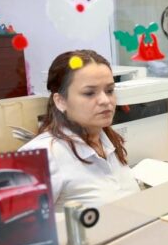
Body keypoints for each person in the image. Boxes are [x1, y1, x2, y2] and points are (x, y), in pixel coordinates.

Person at [20, 50, 140, 212]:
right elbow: (18, 224)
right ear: (61, 101)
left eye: (110, 90)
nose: (105, 100)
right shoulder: (42, 156)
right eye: (89, 93)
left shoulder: (108, 141)